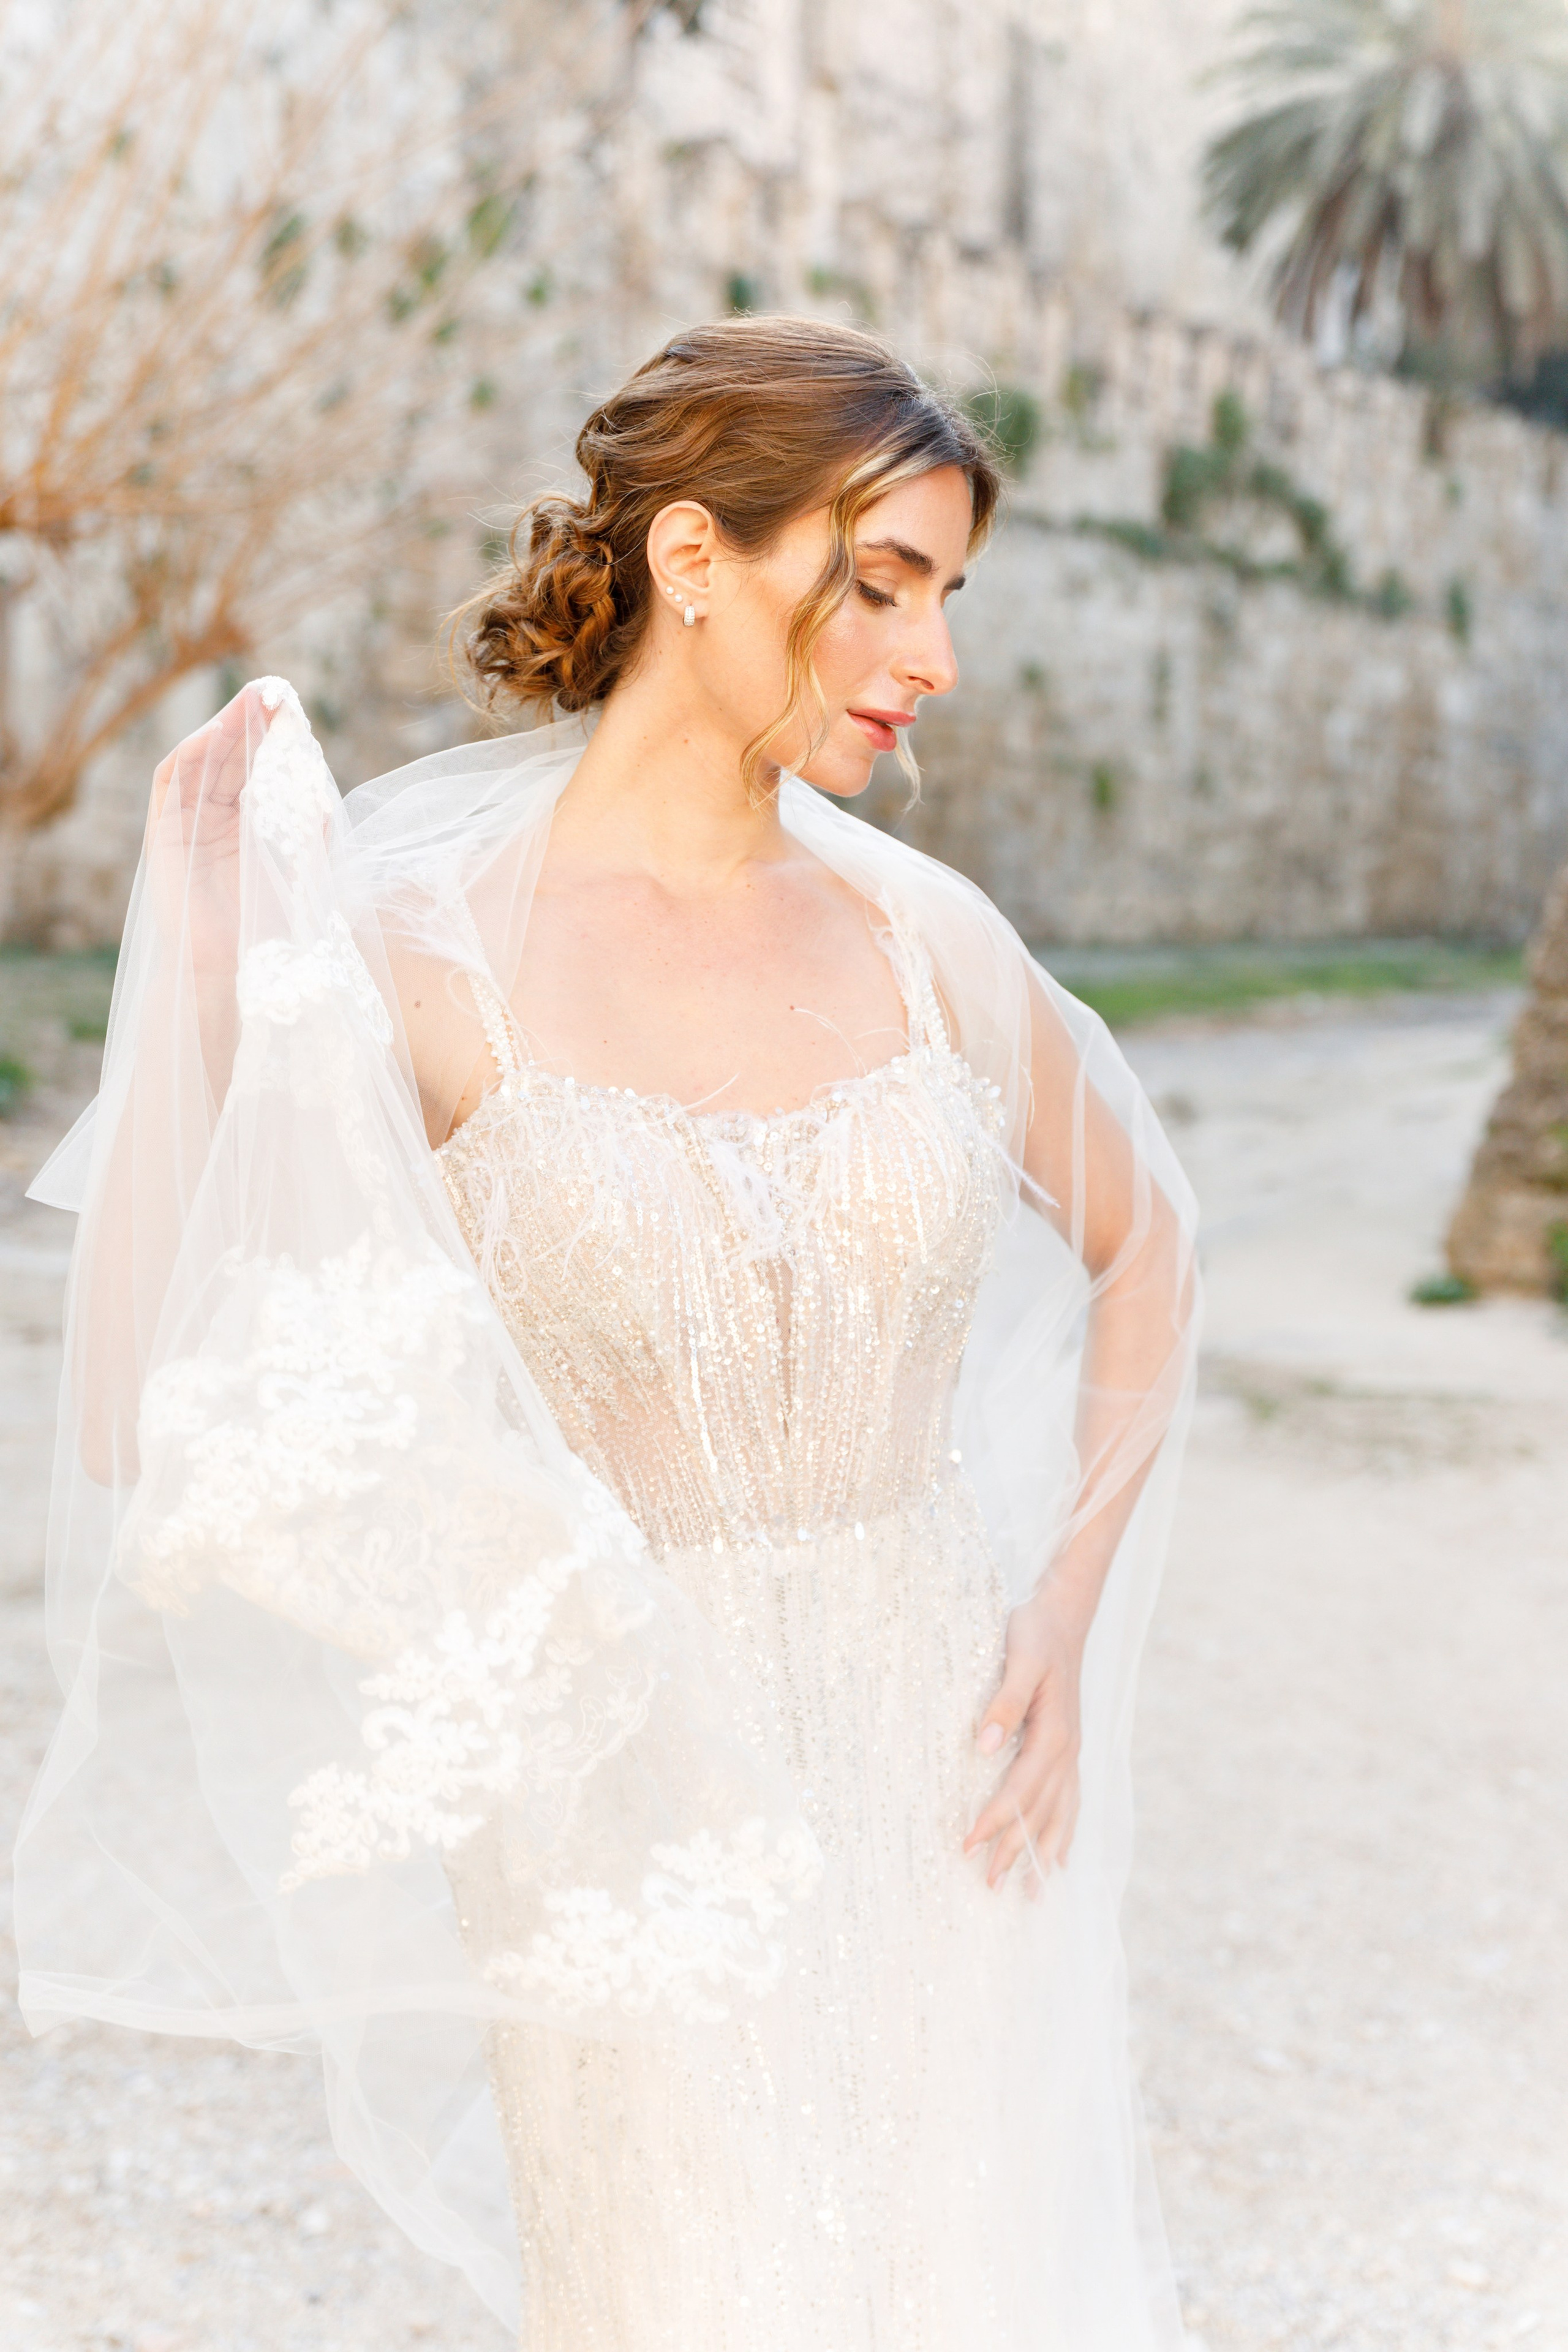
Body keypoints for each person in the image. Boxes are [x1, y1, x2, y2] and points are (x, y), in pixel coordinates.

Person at [16, 315, 1199, 2350]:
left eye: (949, 596)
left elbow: (1151, 1247)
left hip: (935, 1753)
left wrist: (1064, 1621)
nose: (929, 661)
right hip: (616, 1812)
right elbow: (139, 1395)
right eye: (881, 583)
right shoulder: (418, 961)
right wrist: (203, 972)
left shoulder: (929, 944)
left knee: (966, 2278)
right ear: (692, 561)